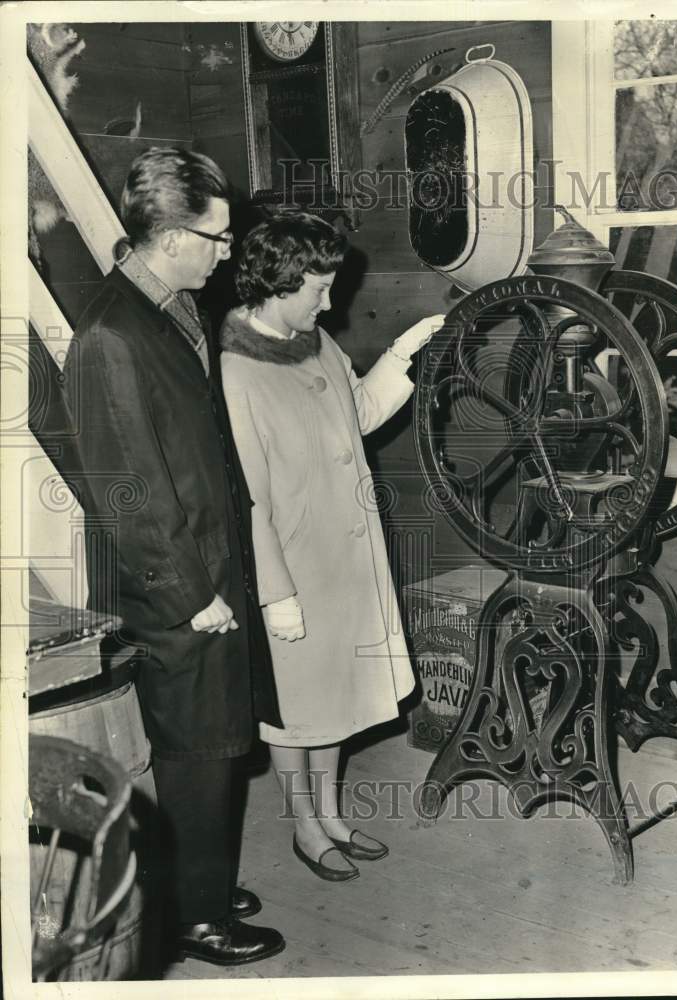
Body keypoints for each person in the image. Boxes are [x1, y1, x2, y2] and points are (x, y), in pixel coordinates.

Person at [62, 147, 285, 966]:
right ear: (168, 235)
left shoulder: (167, 309)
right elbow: (129, 494)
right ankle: (197, 919)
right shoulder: (108, 337)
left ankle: (206, 883)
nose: (228, 253)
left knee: (220, 737)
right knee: (196, 749)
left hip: (209, 565)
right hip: (175, 586)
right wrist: (194, 594)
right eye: (217, 239)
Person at [220, 210, 444, 881]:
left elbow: (362, 415)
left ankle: (332, 811)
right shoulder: (237, 372)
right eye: (316, 289)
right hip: (294, 565)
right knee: (297, 711)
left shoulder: (316, 343)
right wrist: (276, 591)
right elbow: (249, 497)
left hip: (347, 556)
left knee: (338, 696)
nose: (329, 302)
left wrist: (404, 355)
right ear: (276, 286)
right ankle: (304, 825)